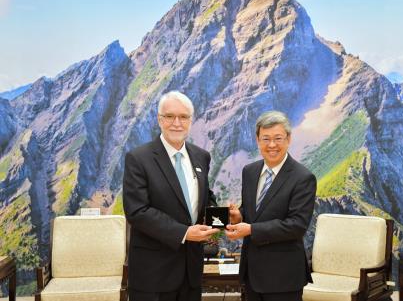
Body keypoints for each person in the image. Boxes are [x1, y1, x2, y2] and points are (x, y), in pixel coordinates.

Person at [123, 91, 219, 301]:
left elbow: (205, 198)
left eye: (183, 117)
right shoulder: (138, 159)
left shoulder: (201, 156)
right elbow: (137, 212)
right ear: (159, 119)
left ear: (191, 121)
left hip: (191, 272)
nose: (177, 123)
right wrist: (184, 233)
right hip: (153, 274)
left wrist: (222, 218)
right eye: (169, 116)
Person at [226, 111, 317, 301]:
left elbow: (296, 226)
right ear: (258, 140)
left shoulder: (303, 178)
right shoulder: (249, 172)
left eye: (278, 138)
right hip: (252, 273)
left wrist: (250, 229)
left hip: (283, 276)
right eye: (266, 139)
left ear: (288, 139)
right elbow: (253, 211)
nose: (272, 145)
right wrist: (239, 216)